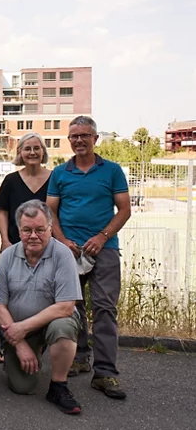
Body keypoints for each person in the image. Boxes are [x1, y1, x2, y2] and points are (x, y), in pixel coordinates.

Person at [47, 115, 131, 400]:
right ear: (68, 140)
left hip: (104, 250)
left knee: (105, 309)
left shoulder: (112, 171)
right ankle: (80, 357)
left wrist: (102, 237)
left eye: (85, 135)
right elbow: (51, 213)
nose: (79, 140)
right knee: (73, 307)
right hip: (69, 251)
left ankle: (105, 372)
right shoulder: (60, 173)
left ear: (95, 139)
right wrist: (62, 241)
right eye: (74, 136)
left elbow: (123, 210)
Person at [0, 200, 83, 414]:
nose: (33, 236)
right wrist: (19, 342)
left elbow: (66, 307)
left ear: (50, 229)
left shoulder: (63, 255)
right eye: (27, 230)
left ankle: (59, 386)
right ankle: (20, 354)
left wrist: (22, 328)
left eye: (40, 230)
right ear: (19, 231)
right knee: (22, 387)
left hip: (51, 322)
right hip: (18, 331)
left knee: (64, 327)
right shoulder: (6, 257)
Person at [0, 132, 51, 363]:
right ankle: (7, 345)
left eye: (37, 148)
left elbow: (56, 212)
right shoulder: (11, 181)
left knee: (43, 296)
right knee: (10, 296)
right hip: (16, 246)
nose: (32, 153)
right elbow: (3, 212)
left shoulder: (54, 178)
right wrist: (5, 241)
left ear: (43, 152)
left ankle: (41, 344)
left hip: (45, 247)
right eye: (27, 149)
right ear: (20, 153)